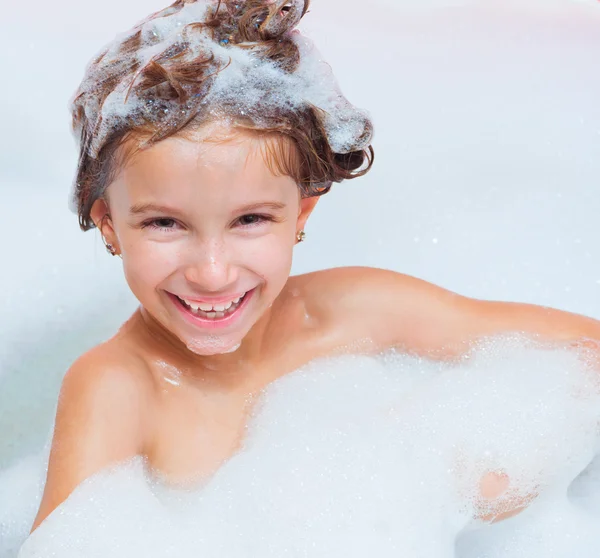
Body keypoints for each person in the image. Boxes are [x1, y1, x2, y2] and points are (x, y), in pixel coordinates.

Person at [30, 0, 600, 534]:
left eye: (250, 220)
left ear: (301, 212)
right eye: (164, 224)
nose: (212, 272)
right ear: (109, 224)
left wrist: (491, 468)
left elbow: (586, 349)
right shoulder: (118, 388)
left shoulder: (358, 311)